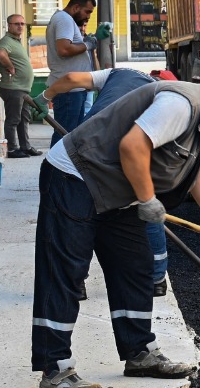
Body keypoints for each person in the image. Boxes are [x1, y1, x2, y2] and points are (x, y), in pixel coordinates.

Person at [32, 66, 200, 388]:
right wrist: (148, 198)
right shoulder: (180, 105)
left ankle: (139, 354)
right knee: (65, 272)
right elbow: (133, 146)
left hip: (119, 191)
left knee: (136, 268)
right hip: (77, 176)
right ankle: (54, 369)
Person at [43, 65, 180, 294]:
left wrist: (44, 97)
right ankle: (156, 280)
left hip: (90, 145)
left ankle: (75, 283)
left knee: (81, 215)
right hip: (134, 149)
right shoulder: (168, 101)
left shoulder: (118, 74)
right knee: (147, 208)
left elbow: (70, 76)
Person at [46, 0, 96, 134]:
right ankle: (53, 158)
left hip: (73, 88)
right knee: (64, 135)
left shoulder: (65, 19)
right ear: (75, 7)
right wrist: (88, 45)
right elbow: (64, 49)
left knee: (70, 135)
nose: (88, 16)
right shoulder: (64, 20)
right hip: (68, 90)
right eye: (87, 11)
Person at [0, 13, 36, 156]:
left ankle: (25, 147)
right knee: (13, 120)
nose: (20, 26)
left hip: (22, 88)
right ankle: (12, 149)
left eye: (22, 24)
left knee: (24, 118)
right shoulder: (6, 41)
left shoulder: (17, 41)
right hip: (13, 88)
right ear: (9, 25)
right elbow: (0, 54)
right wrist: (10, 66)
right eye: (16, 24)